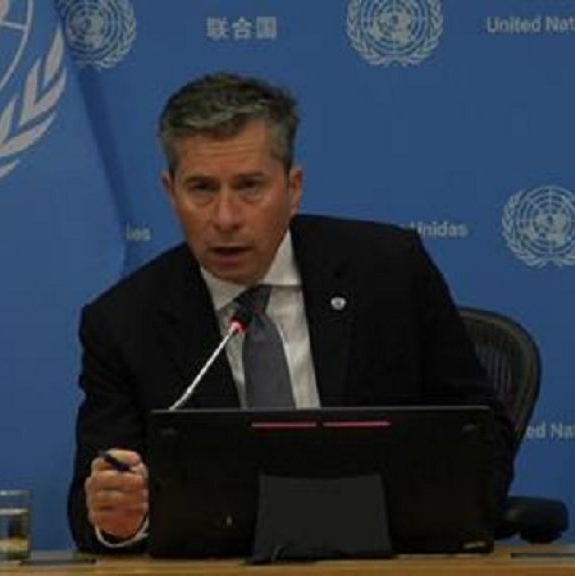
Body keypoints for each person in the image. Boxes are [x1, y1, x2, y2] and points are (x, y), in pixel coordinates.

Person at [68, 72, 516, 552]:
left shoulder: (389, 272)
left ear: (293, 187)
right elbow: (93, 505)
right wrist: (121, 517)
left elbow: (483, 433)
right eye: (201, 188)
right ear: (170, 192)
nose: (225, 218)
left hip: (387, 557)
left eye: (249, 186)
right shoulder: (124, 322)